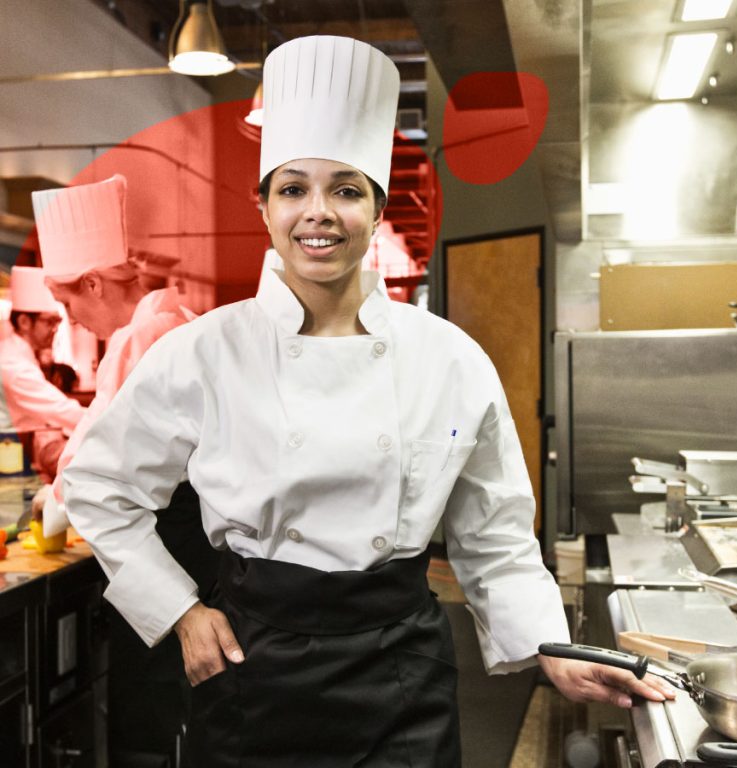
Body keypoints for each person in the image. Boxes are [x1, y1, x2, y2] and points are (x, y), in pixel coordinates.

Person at [62, 36, 674, 768]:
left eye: (345, 189)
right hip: (252, 670)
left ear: (378, 208)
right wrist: (181, 613)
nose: (317, 213)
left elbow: (495, 538)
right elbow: (99, 486)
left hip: (401, 676)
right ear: (263, 207)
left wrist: (550, 648)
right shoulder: (203, 352)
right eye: (293, 189)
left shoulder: (448, 359)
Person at [31, 174, 221, 766]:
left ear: (93, 282)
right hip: (189, 551)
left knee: (159, 722)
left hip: (175, 552)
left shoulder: (148, 336)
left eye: (67, 304)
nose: (70, 323)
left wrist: (50, 509)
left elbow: (88, 467)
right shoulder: (168, 321)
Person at [0, 266, 85, 477]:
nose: (55, 330)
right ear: (24, 322)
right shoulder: (14, 366)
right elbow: (62, 410)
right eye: (49, 322)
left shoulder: (22, 355)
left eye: (57, 322)